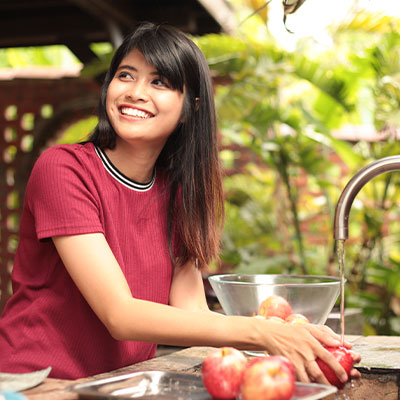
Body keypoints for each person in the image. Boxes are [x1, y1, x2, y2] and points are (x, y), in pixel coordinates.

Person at [0, 22, 360, 383]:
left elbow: (193, 313)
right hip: (35, 383)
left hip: (115, 384)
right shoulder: (64, 170)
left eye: (159, 82)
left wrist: (287, 340)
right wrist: (262, 332)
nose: (136, 92)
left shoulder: (177, 192)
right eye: (126, 75)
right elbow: (119, 315)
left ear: (190, 107)